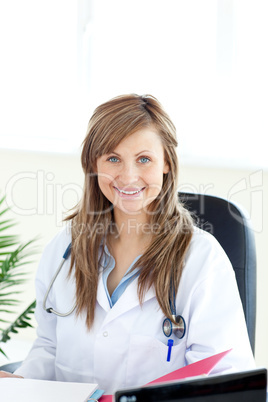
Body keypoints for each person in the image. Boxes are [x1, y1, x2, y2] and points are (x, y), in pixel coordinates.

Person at [0, 94, 255, 393]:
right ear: (93, 164)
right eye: (113, 158)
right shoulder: (64, 250)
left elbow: (224, 378)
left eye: (144, 159)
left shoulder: (201, 259)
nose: (128, 176)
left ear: (167, 164)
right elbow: (49, 348)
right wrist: (21, 385)